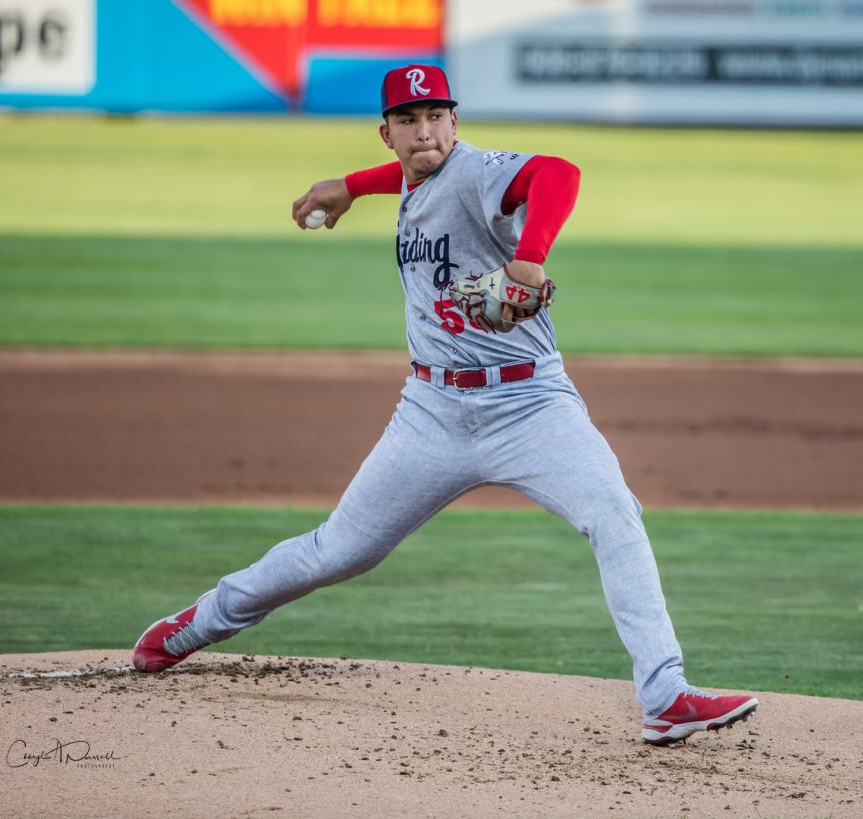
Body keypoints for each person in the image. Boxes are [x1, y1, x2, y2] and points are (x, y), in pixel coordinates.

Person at [132, 64, 758, 746]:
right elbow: (410, 174)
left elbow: (560, 172)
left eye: (436, 116)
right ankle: (200, 620)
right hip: (430, 411)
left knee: (614, 512)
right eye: (408, 120)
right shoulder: (412, 174)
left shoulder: (478, 171)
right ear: (388, 134)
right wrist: (349, 185)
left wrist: (529, 257)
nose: (424, 130)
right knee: (336, 551)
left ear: (455, 123)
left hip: (530, 404)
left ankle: (664, 691)